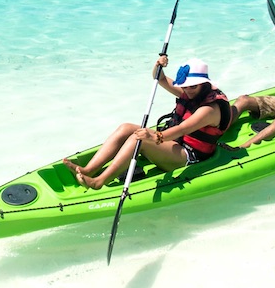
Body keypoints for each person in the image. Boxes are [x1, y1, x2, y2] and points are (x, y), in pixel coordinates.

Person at [64, 56, 232, 190]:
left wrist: (155, 136)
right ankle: (89, 169)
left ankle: (99, 181)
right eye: (185, 86)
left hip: (189, 155)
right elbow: (160, 79)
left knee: (140, 139)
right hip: (175, 142)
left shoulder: (209, 110)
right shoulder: (192, 91)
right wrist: (158, 65)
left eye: (192, 87)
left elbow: (182, 128)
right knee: (126, 128)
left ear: (204, 84)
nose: (187, 90)